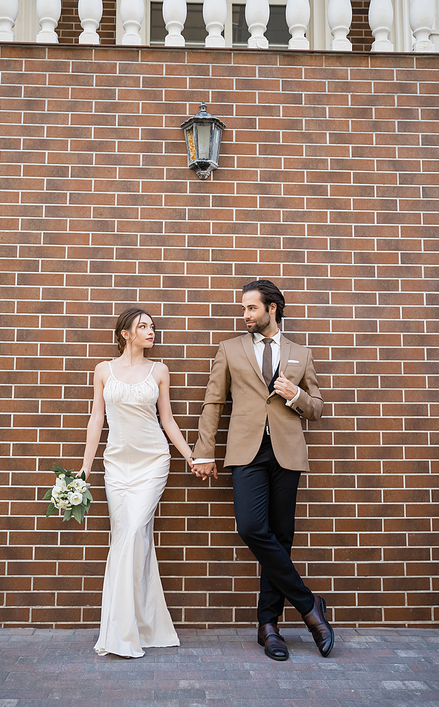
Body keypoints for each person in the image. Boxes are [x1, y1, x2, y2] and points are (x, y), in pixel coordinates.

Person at [191, 279, 334, 661]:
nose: (245, 315)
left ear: (272, 308)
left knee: (281, 537)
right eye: (243, 309)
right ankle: (309, 606)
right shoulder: (229, 349)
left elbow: (318, 407)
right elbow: (213, 402)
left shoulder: (300, 353)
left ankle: (268, 626)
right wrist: (203, 451)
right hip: (246, 452)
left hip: (287, 453)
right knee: (252, 528)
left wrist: (296, 395)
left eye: (251, 308)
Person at [77, 308, 193, 659]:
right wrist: (84, 468)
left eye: (152, 327)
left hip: (153, 462)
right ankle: (140, 626)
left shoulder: (159, 371)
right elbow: (97, 418)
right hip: (116, 467)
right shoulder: (103, 371)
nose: (150, 331)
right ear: (125, 333)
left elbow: (167, 419)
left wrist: (191, 456)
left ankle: (125, 631)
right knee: (130, 538)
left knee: (130, 535)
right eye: (143, 327)